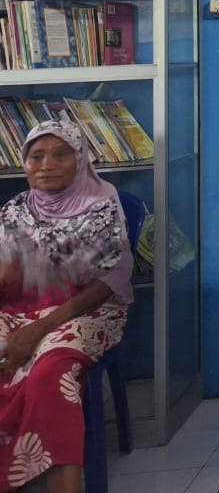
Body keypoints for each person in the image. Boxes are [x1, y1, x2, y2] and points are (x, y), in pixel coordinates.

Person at [0, 120, 133, 493]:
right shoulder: (14, 210)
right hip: (18, 309)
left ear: (81, 160)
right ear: (24, 162)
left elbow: (106, 284)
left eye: (61, 154)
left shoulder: (101, 207)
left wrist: (37, 331)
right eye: (36, 156)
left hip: (88, 311)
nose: (47, 165)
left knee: (49, 372)